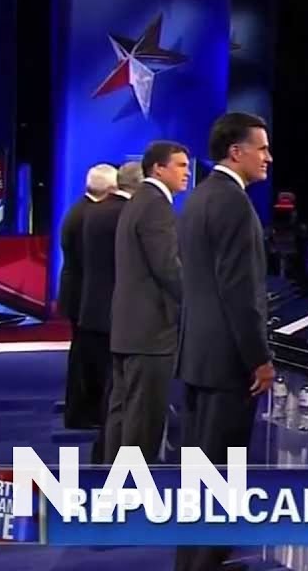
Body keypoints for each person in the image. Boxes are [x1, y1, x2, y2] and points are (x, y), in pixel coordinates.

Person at [174, 113, 274, 571]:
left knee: (198, 476)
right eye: (262, 148)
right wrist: (259, 359)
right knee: (218, 477)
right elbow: (240, 292)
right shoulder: (233, 204)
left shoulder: (198, 197)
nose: (268, 157)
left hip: (198, 356)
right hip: (228, 364)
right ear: (237, 152)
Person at [104, 141, 189, 463]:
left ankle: (111, 480)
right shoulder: (156, 205)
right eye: (180, 166)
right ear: (158, 168)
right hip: (150, 332)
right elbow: (167, 267)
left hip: (129, 328)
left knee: (123, 412)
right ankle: (132, 486)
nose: (187, 173)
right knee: (143, 419)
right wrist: (194, 303)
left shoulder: (138, 200)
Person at [78, 161, 142, 462]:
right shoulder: (126, 215)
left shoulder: (96, 211)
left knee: (110, 391)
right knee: (116, 392)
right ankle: (110, 457)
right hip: (117, 312)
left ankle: (102, 455)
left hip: (98, 307)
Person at [60, 163, 117, 428]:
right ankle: (81, 413)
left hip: (80, 294)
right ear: (110, 188)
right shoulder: (87, 216)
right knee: (86, 359)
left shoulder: (81, 210)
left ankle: (81, 410)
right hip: (82, 295)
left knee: (83, 356)